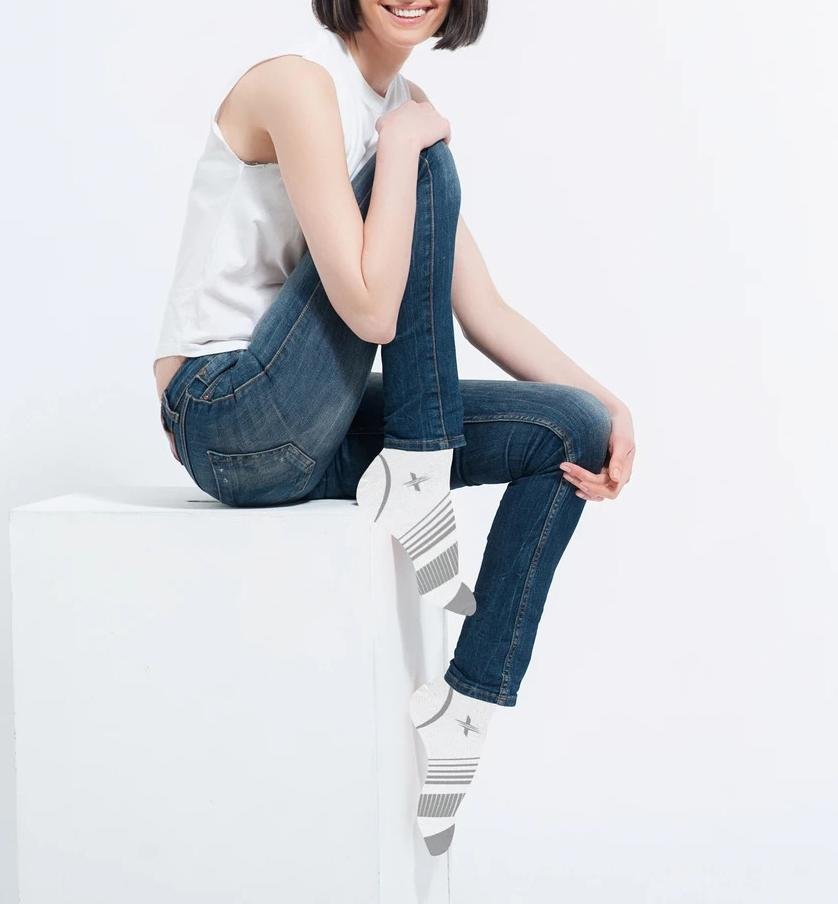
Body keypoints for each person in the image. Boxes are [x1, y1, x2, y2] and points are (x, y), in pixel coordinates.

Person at [154, 0, 636, 856]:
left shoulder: (402, 111)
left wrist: (611, 408)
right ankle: (417, 476)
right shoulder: (299, 85)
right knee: (422, 164)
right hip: (225, 414)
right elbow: (374, 310)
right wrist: (408, 150)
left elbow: (482, 309)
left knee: (571, 430)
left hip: (317, 424)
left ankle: (464, 710)